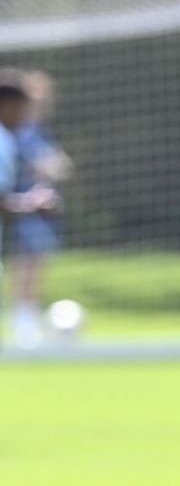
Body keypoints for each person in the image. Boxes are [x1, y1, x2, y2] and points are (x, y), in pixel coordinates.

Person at [9, 71, 73, 348]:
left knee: (36, 261)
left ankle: (27, 318)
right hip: (18, 206)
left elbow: (58, 163)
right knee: (26, 262)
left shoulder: (37, 129)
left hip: (35, 209)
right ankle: (22, 321)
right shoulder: (18, 129)